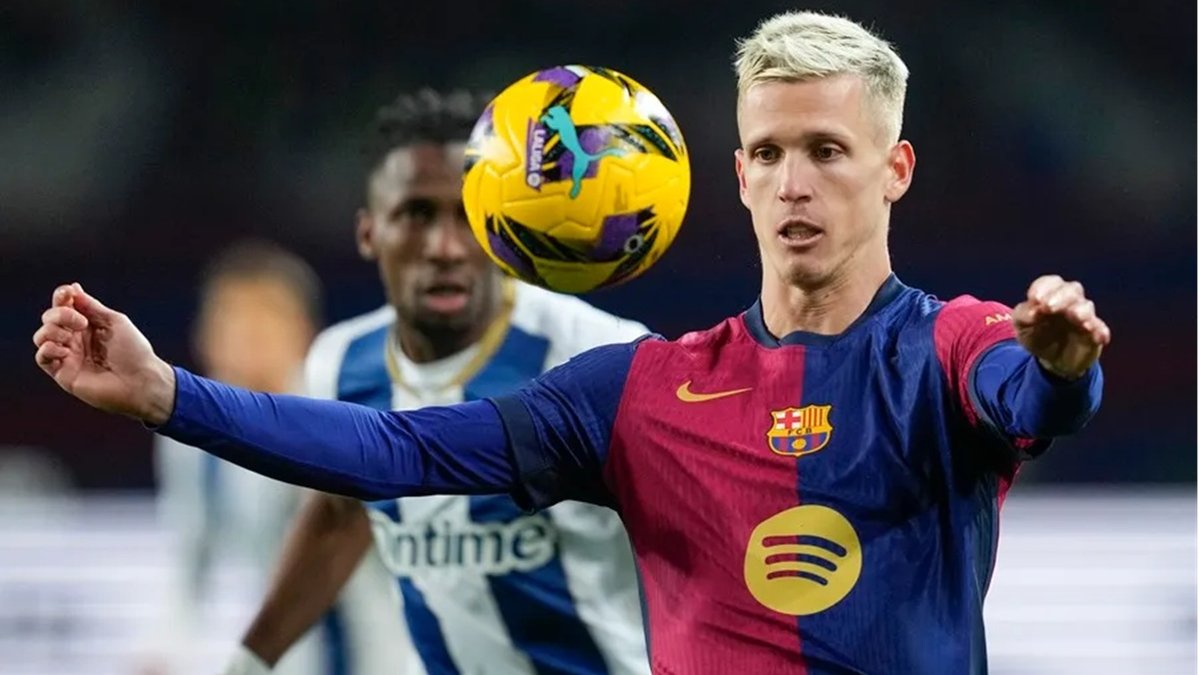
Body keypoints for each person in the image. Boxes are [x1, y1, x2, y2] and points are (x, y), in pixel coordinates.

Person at [34, 11, 1109, 674]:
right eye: (770, 152)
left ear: (895, 169)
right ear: (736, 174)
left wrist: (1065, 366)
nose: (795, 183)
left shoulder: (950, 344)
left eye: (828, 150)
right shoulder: (643, 391)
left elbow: (1031, 397)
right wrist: (168, 393)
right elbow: (401, 450)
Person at [217, 90, 653, 675]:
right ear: (369, 232)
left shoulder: (597, 353)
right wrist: (247, 663)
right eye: (416, 215)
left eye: (469, 216)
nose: (445, 248)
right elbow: (341, 515)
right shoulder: (341, 364)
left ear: (502, 225)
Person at [142, 240, 385, 675]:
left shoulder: (342, 417)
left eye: (266, 318)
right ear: (206, 336)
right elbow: (191, 556)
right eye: (234, 319)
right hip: (285, 655)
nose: (249, 335)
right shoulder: (189, 441)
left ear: (304, 332)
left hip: (374, 649)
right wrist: (164, 651)